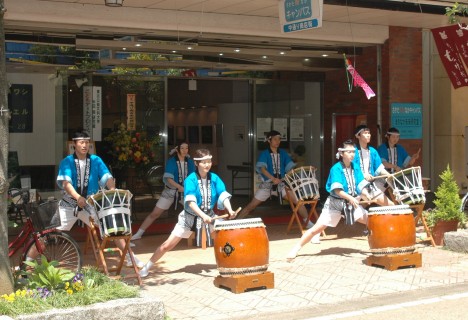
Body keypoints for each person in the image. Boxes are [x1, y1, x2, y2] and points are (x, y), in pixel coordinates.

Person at [139, 148, 238, 278]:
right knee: (167, 245)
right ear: (196, 164)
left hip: (210, 216)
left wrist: (229, 210)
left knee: (226, 238)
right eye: (204, 162)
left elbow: (223, 195)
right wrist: (203, 216)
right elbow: (191, 202)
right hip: (189, 218)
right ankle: (147, 267)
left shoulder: (214, 178)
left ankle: (230, 264)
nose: (207, 164)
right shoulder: (190, 179)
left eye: (209, 161)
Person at [56, 131, 143, 268]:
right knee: (50, 232)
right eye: (81, 142)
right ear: (74, 144)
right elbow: (66, 183)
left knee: (111, 226)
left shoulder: (96, 160)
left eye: (86, 142)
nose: (84, 145)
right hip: (69, 204)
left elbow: (106, 177)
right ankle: (29, 260)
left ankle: (129, 257)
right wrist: (78, 197)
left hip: (89, 204)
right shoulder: (67, 162)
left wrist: (112, 189)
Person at [286, 139, 371, 261]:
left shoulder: (356, 167)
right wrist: (351, 197)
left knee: (372, 221)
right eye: (349, 152)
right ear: (341, 154)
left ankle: (378, 245)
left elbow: (360, 185)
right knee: (317, 228)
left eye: (353, 151)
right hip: (335, 203)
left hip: (351, 203)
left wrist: (365, 194)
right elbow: (337, 190)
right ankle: (297, 247)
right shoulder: (336, 168)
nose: (352, 154)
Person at [237, 130, 313, 229]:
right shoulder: (264, 154)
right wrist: (273, 178)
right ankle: (236, 223)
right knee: (251, 206)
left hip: (281, 185)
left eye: (279, 139)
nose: (278, 141)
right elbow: (262, 169)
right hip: (267, 185)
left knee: (298, 201)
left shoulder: (283, 153)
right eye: (275, 139)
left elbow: (290, 168)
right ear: (269, 141)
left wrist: (297, 173)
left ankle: (308, 222)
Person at [131, 141, 195, 241]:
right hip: (170, 191)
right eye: (182, 148)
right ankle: (139, 233)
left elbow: (192, 177)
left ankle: (197, 235)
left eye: (186, 148)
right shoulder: (171, 161)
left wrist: (186, 188)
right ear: (177, 149)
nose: (184, 150)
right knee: (155, 213)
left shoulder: (190, 162)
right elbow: (168, 178)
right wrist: (178, 186)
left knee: (194, 211)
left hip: (185, 192)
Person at [353, 125, 394, 206]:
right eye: (365, 133)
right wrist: (364, 175)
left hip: (370, 186)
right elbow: (351, 169)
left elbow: (379, 168)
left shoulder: (373, 151)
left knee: (391, 206)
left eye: (369, 133)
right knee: (358, 210)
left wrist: (389, 175)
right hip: (356, 186)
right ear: (358, 136)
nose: (368, 135)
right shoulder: (352, 151)